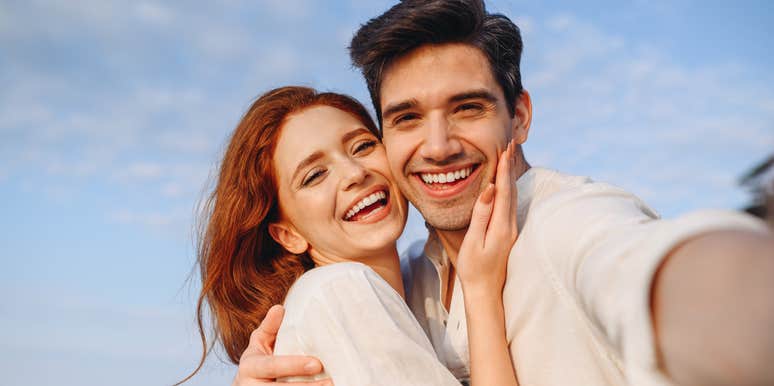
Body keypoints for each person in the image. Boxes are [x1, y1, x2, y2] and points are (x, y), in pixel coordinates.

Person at [240, 1, 774, 385]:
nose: (438, 145)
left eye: (468, 108)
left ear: (518, 117)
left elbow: (646, 268)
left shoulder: (562, 219)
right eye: (407, 118)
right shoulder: (399, 279)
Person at [180, 86, 523, 386]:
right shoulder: (340, 290)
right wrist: (481, 292)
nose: (355, 173)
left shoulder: (413, 279)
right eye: (315, 175)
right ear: (288, 235)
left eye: (361, 146)